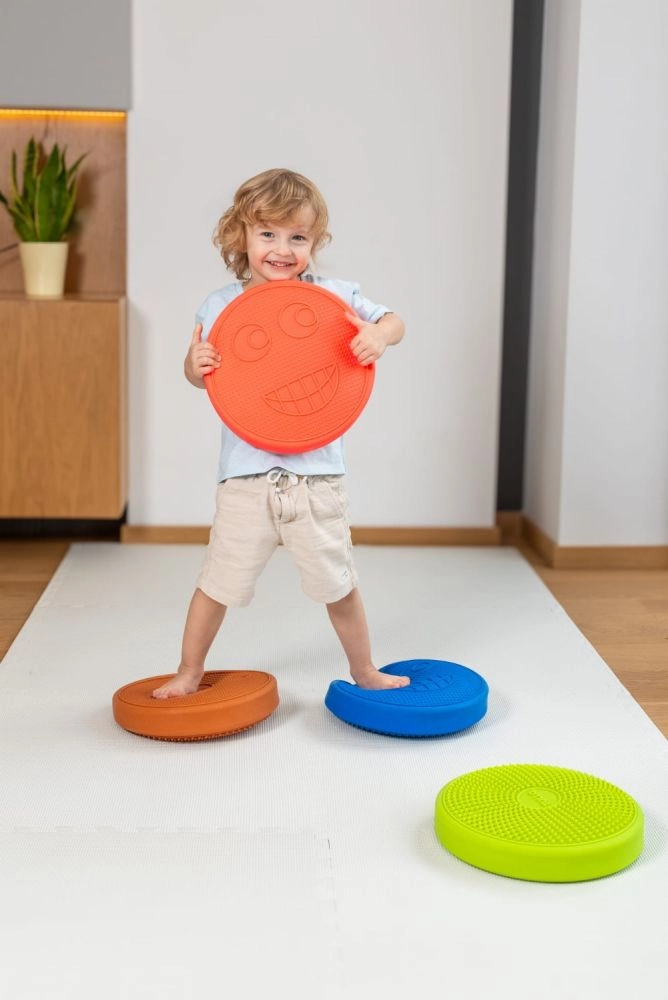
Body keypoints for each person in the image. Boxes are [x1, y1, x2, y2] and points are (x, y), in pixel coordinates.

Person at [153, 168, 410, 698]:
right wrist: (193, 365)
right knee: (217, 582)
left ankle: (364, 670)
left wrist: (379, 336)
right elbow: (201, 374)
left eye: (298, 237)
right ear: (240, 235)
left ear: (315, 242)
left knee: (338, 584)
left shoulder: (335, 297)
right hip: (246, 478)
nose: (282, 249)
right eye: (267, 233)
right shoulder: (221, 306)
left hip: (317, 479)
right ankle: (188, 671)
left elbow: (393, 321)